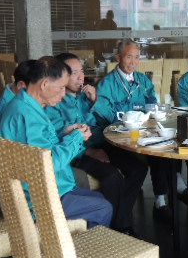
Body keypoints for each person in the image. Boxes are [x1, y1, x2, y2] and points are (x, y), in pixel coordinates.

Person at [0, 56, 113, 228]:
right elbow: (47, 165)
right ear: (44, 84)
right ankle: (77, 245)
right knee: (102, 208)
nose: (63, 94)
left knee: (99, 198)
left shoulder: (26, 104)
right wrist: (76, 138)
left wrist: (65, 133)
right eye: (61, 88)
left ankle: (77, 241)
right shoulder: (27, 116)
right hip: (39, 197)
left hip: (44, 187)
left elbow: (40, 146)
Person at [46, 53, 147, 236]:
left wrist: (96, 101)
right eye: (73, 73)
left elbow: (112, 120)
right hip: (77, 153)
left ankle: (120, 217)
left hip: (102, 144)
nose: (80, 77)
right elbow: (59, 137)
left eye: (81, 71)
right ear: (61, 75)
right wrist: (90, 151)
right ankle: (121, 227)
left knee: (138, 168)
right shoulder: (54, 102)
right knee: (111, 176)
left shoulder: (85, 97)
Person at [96, 40, 188, 222]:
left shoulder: (142, 80)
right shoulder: (106, 84)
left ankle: (165, 196)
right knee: (154, 150)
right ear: (118, 57)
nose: (133, 62)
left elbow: (152, 102)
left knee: (165, 143)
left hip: (144, 129)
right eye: (129, 57)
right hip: (120, 135)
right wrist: (130, 116)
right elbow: (105, 114)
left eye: (137, 57)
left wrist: (149, 112)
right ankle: (167, 195)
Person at [0, 60, 35, 180]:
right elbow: (5, 154)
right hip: (3, 174)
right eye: (40, 88)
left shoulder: (17, 103)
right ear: (21, 86)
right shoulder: (4, 111)